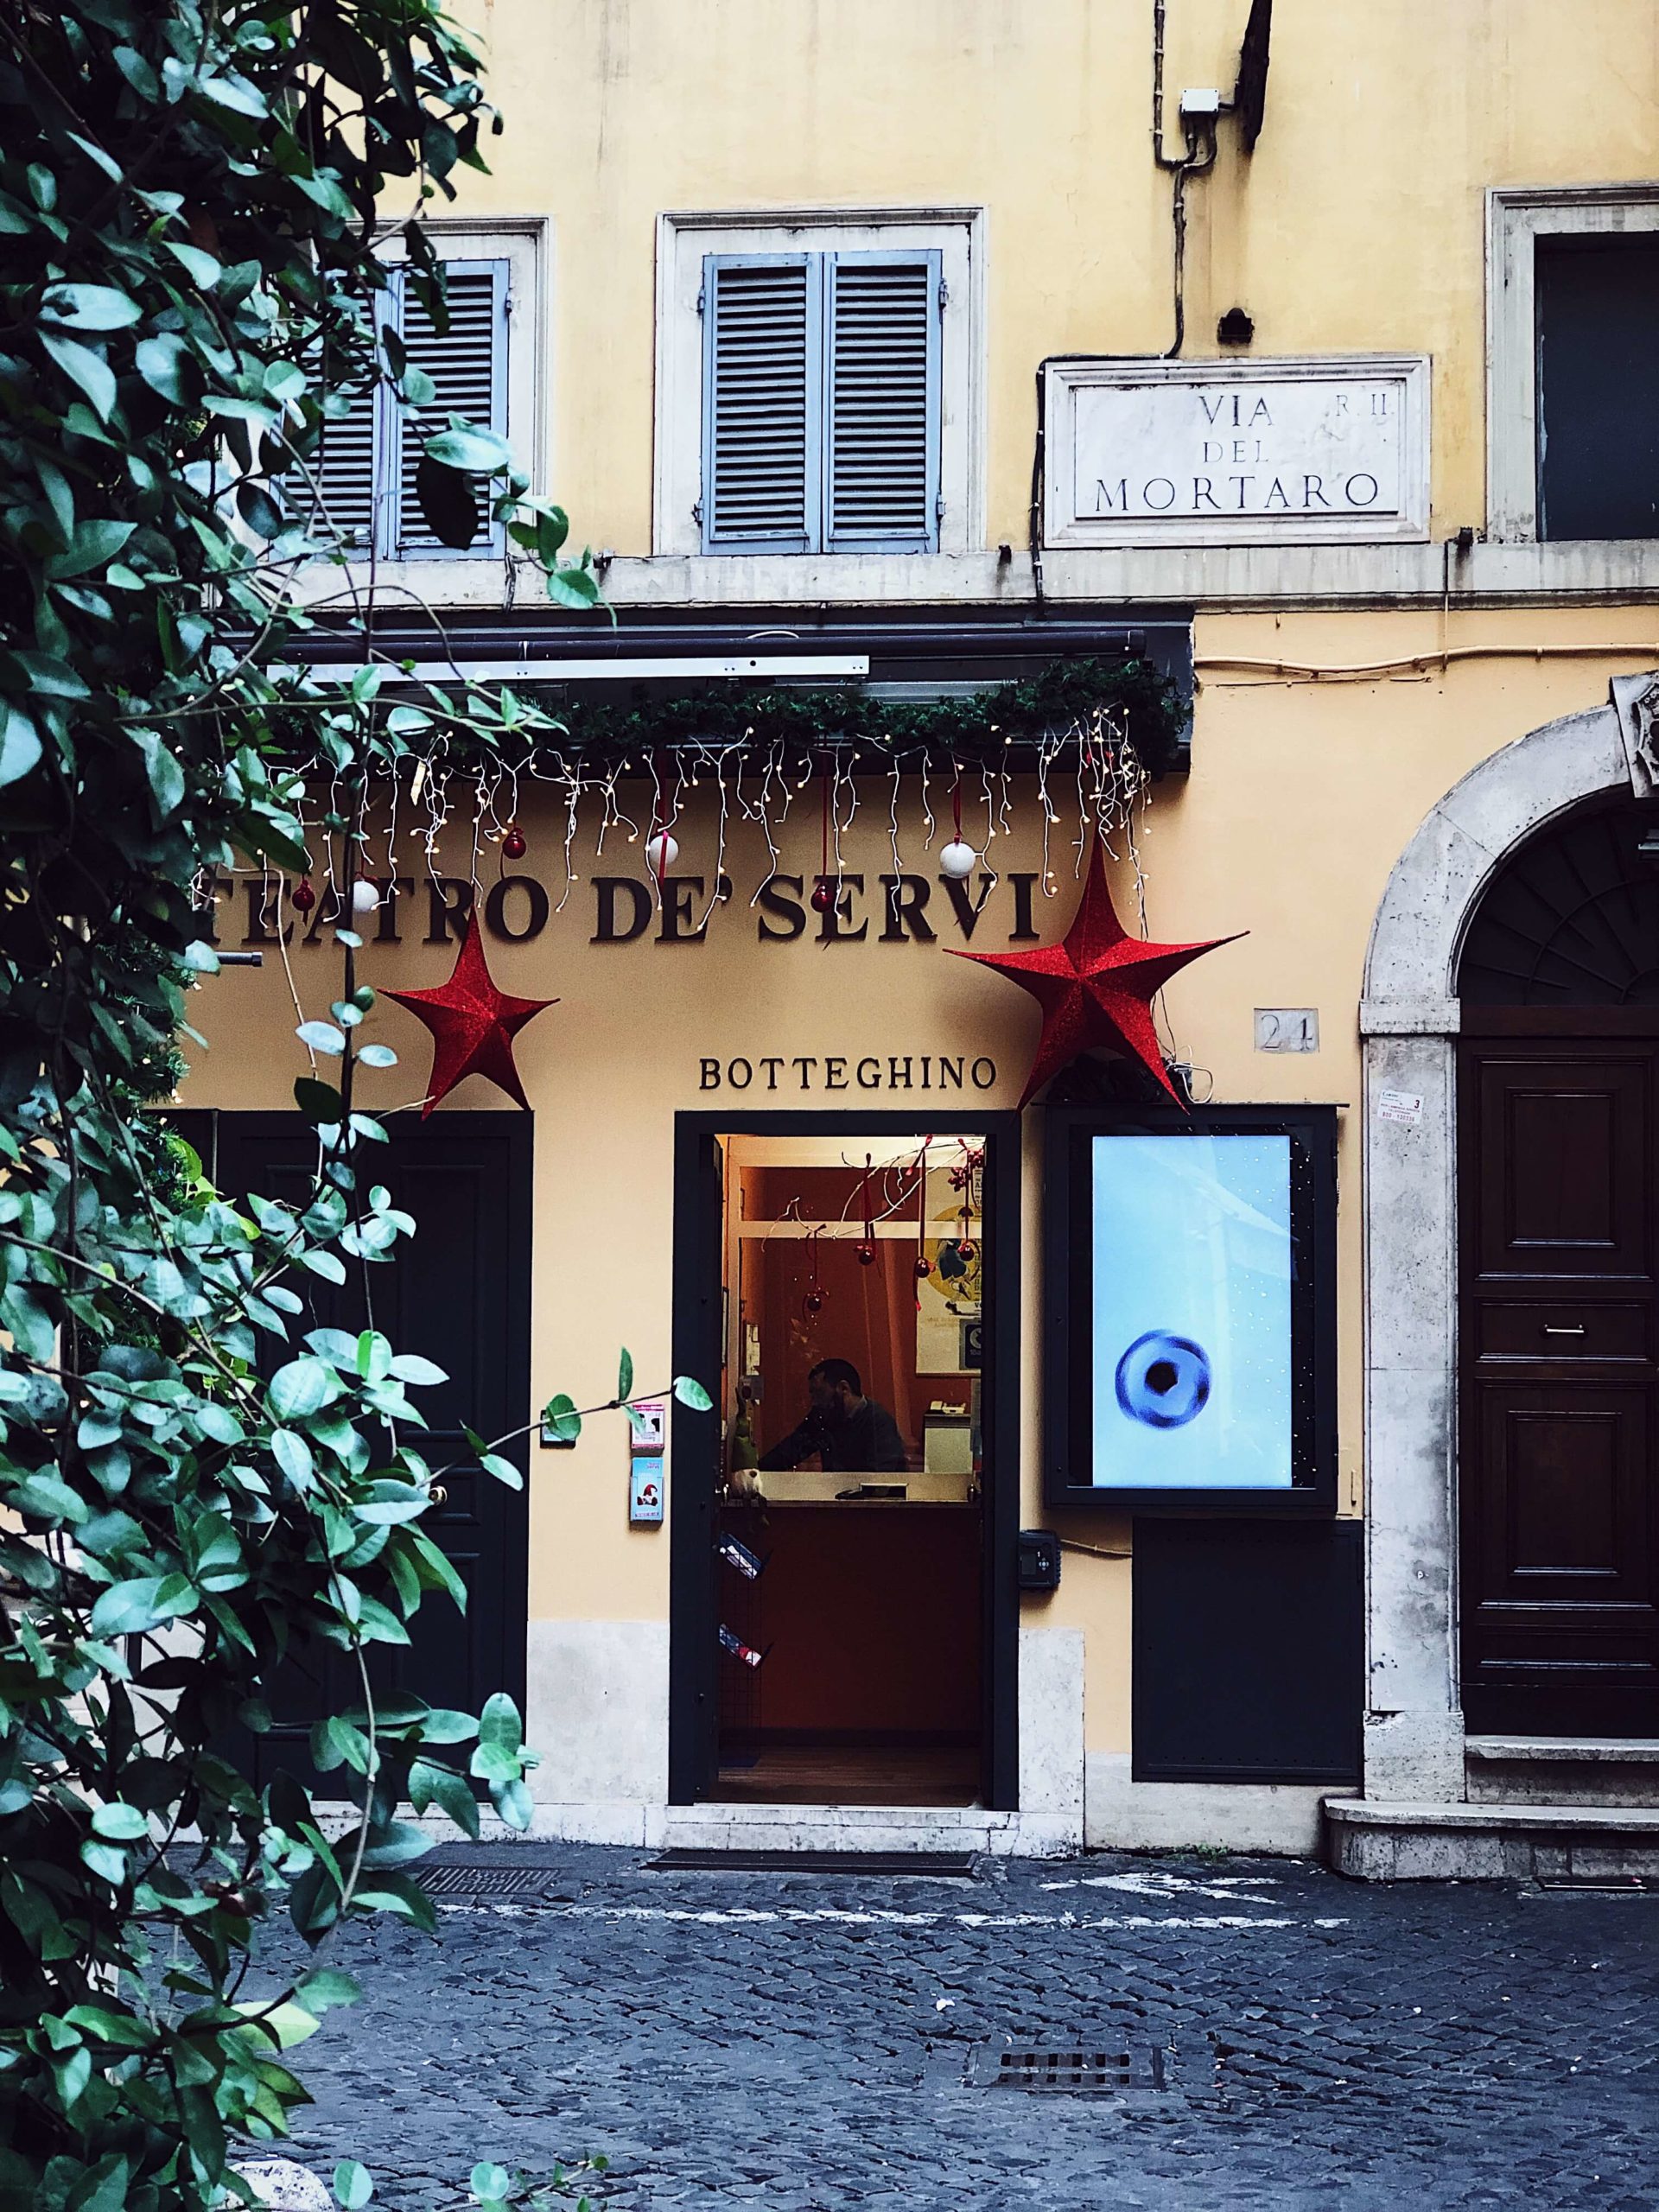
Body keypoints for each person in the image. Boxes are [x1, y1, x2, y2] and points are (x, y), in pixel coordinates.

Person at [758, 1358, 908, 1475]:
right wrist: (753, 1471)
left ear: (843, 1388)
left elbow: (879, 1480)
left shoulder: (879, 1422)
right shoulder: (826, 1416)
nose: (814, 1402)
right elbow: (789, 1452)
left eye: (820, 1393)